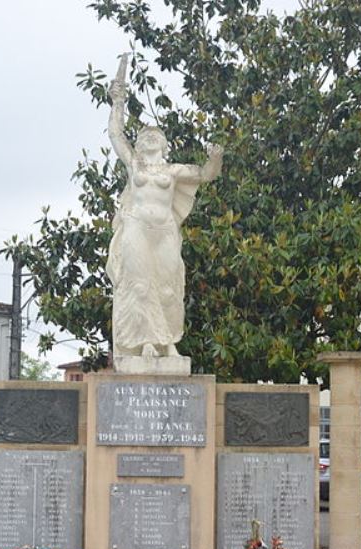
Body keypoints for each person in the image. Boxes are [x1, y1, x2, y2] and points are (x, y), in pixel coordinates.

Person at [106, 54, 223, 359]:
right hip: (137, 228)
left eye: (154, 136)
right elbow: (116, 135)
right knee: (140, 286)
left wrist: (215, 157)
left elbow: (206, 175)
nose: (148, 140)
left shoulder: (173, 171)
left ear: (163, 143)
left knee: (169, 288)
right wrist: (117, 103)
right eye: (144, 137)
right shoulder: (134, 164)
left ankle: (168, 341)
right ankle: (145, 341)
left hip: (165, 231)